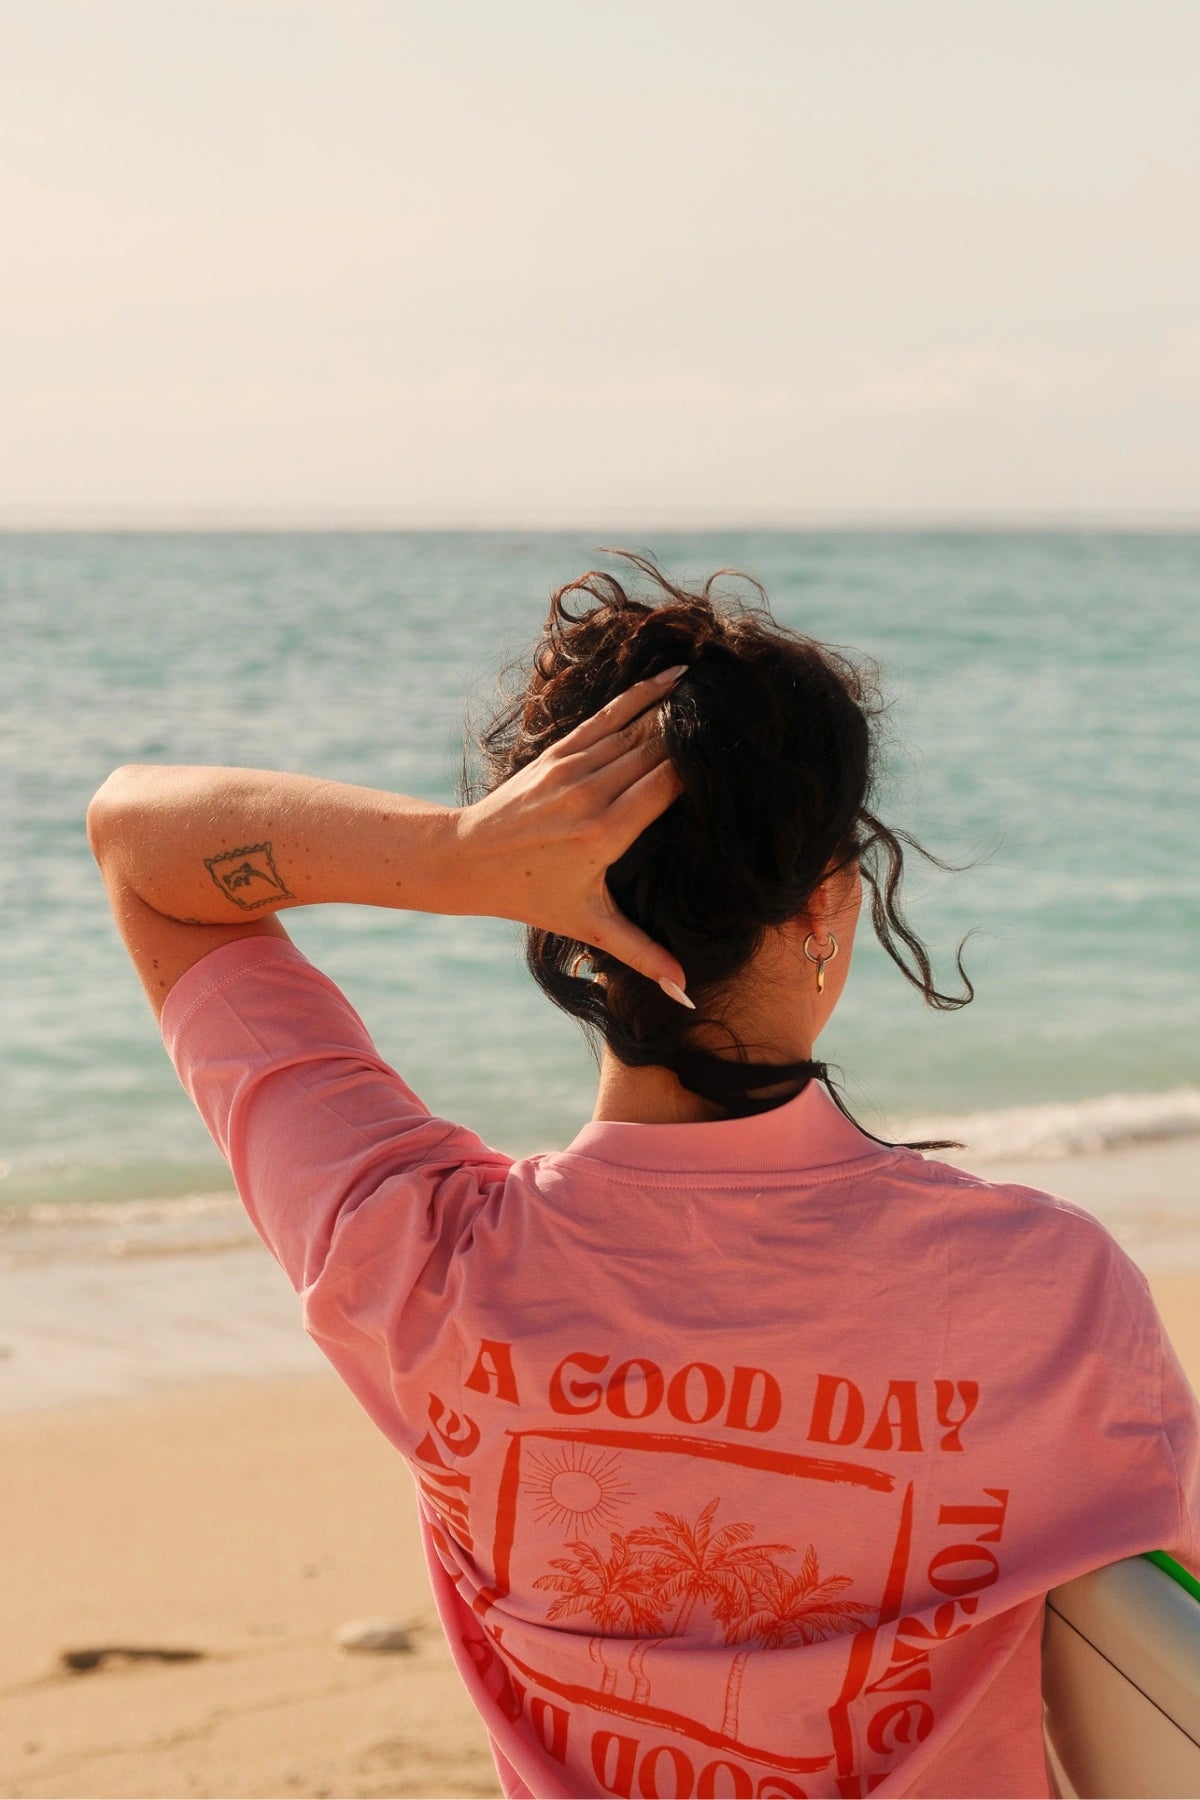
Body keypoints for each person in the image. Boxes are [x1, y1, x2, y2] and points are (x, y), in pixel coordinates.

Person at [88, 552, 1200, 1800]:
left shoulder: (412, 1261)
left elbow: (143, 849)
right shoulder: (1045, 1291)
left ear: (554, 907)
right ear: (831, 903)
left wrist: (454, 856)